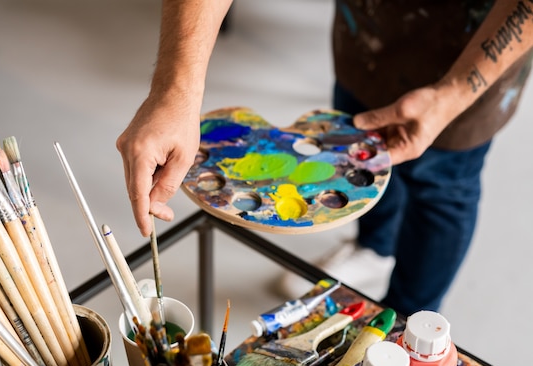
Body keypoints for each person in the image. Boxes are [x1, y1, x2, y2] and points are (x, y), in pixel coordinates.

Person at [116, 0, 533, 316]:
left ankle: (406, 320)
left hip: (474, 50)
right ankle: (373, 248)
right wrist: (174, 89)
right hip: (367, 30)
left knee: (442, 184)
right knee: (354, 152)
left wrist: (456, 92)